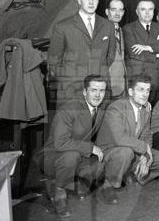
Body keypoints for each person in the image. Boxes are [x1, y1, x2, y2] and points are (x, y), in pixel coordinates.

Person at [96, 75, 159, 205]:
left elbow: (146, 135)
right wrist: (144, 148)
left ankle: (135, 177)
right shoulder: (117, 107)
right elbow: (120, 138)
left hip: (132, 149)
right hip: (111, 151)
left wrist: (145, 157)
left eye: (147, 90)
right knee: (126, 152)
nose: (145, 94)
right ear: (131, 92)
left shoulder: (145, 109)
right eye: (141, 89)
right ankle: (108, 185)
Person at [37, 75, 107, 217]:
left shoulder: (100, 109)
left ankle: (76, 181)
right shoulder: (69, 109)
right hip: (53, 155)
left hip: (78, 153)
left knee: (103, 162)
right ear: (84, 92)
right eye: (93, 90)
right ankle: (59, 193)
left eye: (102, 91)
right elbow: (61, 143)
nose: (98, 95)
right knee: (71, 156)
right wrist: (91, 148)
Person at [48, 0, 115, 103]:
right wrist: (68, 79)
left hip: (100, 89)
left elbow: (110, 56)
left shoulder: (108, 26)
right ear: (79, 0)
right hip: (71, 89)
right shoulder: (62, 27)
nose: (91, 2)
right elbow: (54, 61)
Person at [123, 0, 159, 103]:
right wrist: (156, 55)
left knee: (153, 105)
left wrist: (148, 48)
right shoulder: (129, 28)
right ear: (137, 12)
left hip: (155, 76)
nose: (147, 12)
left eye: (150, 9)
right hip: (137, 75)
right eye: (143, 9)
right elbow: (134, 52)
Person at [106, 0, 127, 99]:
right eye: (113, 10)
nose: (117, 13)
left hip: (121, 86)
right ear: (107, 11)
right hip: (106, 86)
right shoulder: (99, 30)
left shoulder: (122, 31)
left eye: (120, 10)